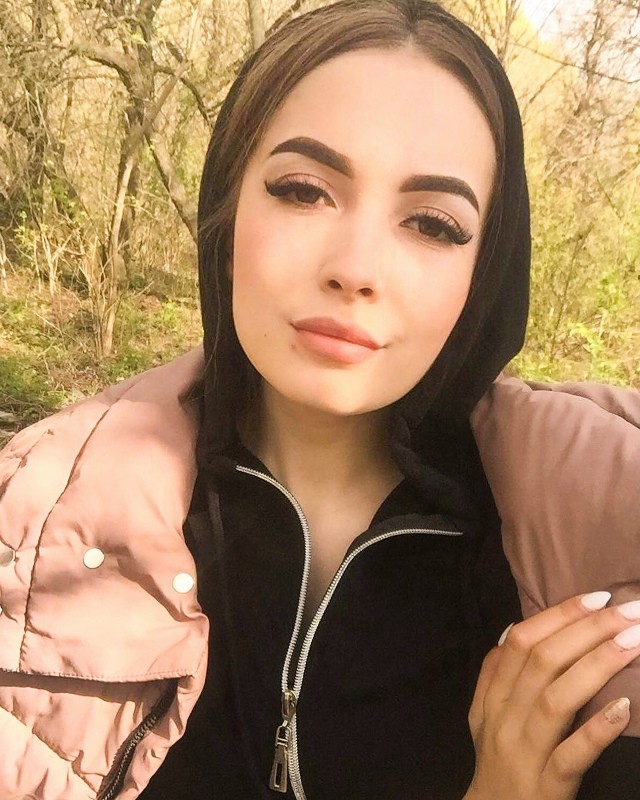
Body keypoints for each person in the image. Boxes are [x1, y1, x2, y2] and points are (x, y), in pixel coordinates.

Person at [0, 1, 639, 798]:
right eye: (304, 191)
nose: (356, 268)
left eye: (433, 225)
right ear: (227, 214)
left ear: (483, 277)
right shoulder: (36, 521)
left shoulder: (599, 527)